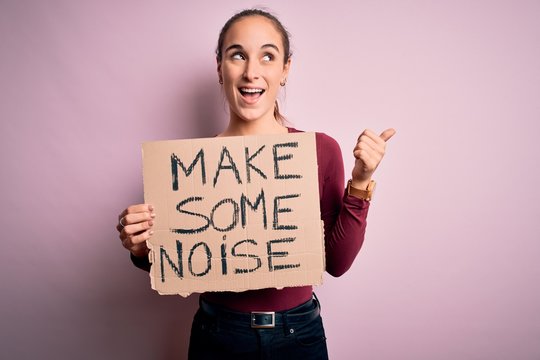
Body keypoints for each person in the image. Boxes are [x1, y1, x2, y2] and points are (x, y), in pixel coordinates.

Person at [117, 8, 395, 360]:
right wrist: (141, 248)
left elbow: (337, 263)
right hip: (217, 336)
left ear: (285, 70)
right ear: (220, 67)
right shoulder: (188, 171)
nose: (252, 72)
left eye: (267, 56)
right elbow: (177, 261)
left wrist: (361, 182)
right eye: (237, 55)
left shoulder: (319, 150)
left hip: (299, 336)